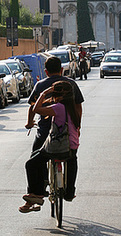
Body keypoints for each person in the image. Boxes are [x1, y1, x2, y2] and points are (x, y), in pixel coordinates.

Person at [19, 80, 81, 213]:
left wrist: (44, 93)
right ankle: (70, 192)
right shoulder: (73, 108)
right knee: (72, 161)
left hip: (57, 147)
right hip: (72, 146)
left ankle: (37, 193)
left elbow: (36, 108)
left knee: (31, 163)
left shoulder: (58, 107)